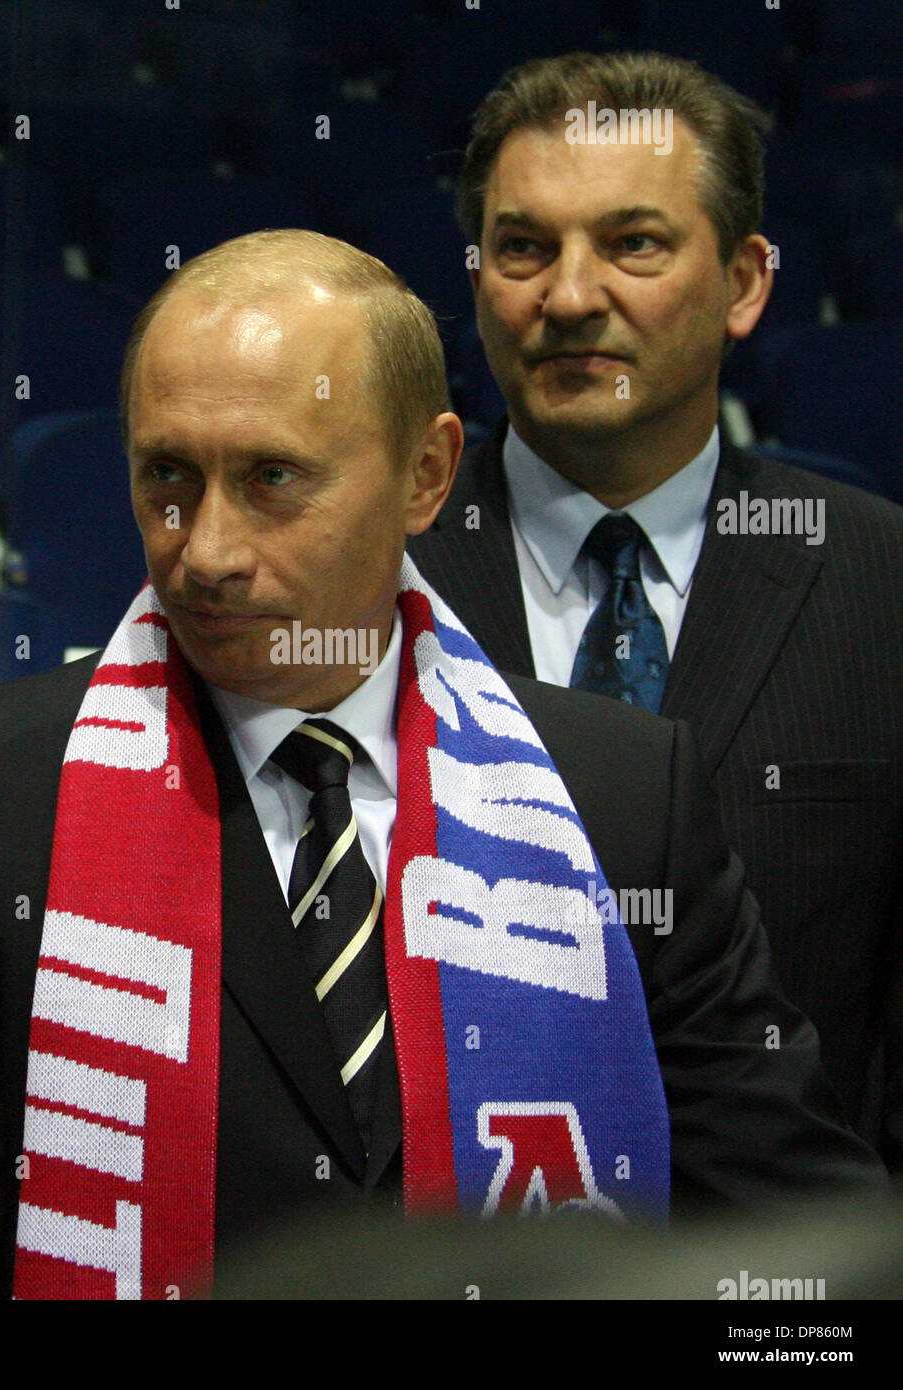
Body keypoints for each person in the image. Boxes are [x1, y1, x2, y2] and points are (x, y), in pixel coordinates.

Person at [0, 231, 885, 1302]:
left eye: (272, 478)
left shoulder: (623, 796)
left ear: (425, 475)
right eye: (167, 474)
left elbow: (790, 1244)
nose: (202, 549)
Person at [408, 51, 903, 1169]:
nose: (569, 295)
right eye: (524, 248)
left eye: (631, 243)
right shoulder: (367, 574)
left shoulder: (881, 586)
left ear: (742, 282)